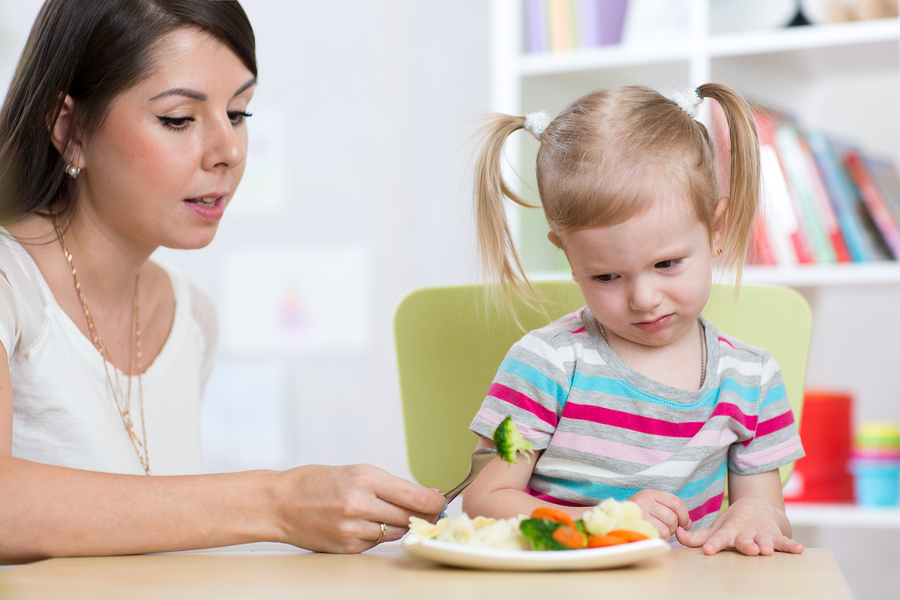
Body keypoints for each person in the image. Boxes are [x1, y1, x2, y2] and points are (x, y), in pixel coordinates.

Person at [0, 0, 444, 563]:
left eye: (238, 113)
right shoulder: (10, 286)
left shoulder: (191, 317)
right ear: (70, 130)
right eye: (179, 119)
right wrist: (274, 503)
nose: (229, 152)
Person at [462, 84, 805, 556]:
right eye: (605, 275)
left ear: (717, 230)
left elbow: (769, 516)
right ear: (569, 257)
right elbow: (484, 501)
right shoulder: (546, 363)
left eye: (667, 264)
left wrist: (755, 516)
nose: (644, 299)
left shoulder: (752, 378)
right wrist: (604, 520)